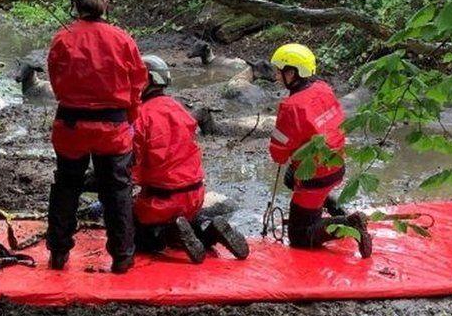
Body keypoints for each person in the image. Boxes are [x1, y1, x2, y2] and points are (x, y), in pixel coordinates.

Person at [46, 0, 148, 274]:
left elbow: (56, 80)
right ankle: (123, 256)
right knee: (117, 190)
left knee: (66, 185)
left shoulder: (63, 38)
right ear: (106, 5)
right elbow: (137, 83)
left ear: (75, 5)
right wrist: (131, 118)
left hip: (71, 126)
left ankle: (58, 252)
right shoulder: (122, 39)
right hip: (112, 129)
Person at [132, 55, 249, 263]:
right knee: (188, 222)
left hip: (161, 200)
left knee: (140, 239)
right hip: (194, 195)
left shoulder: (140, 116)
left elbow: (131, 162)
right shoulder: (178, 108)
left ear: (145, 80)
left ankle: (171, 233)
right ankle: (210, 231)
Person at [268, 43, 372, 257]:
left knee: (300, 236)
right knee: (290, 179)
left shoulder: (292, 107)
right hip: (336, 166)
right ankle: (332, 208)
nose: (277, 77)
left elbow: (278, 152)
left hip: (314, 178)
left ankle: (349, 224)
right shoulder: (323, 88)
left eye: (280, 71)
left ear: (293, 72)